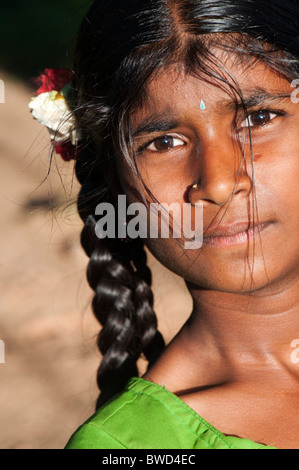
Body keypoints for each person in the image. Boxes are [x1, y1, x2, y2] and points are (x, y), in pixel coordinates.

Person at [39, 0, 299, 449]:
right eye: (164, 142)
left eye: (258, 119)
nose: (218, 183)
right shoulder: (134, 448)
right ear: (114, 181)